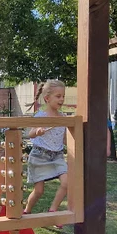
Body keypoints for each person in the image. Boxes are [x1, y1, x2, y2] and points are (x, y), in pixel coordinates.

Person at [23, 80, 69, 220]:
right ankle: (27, 210)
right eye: (58, 96)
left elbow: (65, 140)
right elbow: (29, 134)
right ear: (47, 98)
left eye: (63, 96)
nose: (61, 99)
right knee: (39, 191)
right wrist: (37, 131)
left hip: (57, 156)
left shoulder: (64, 118)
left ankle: (53, 210)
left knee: (67, 183)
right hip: (39, 156)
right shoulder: (40, 116)